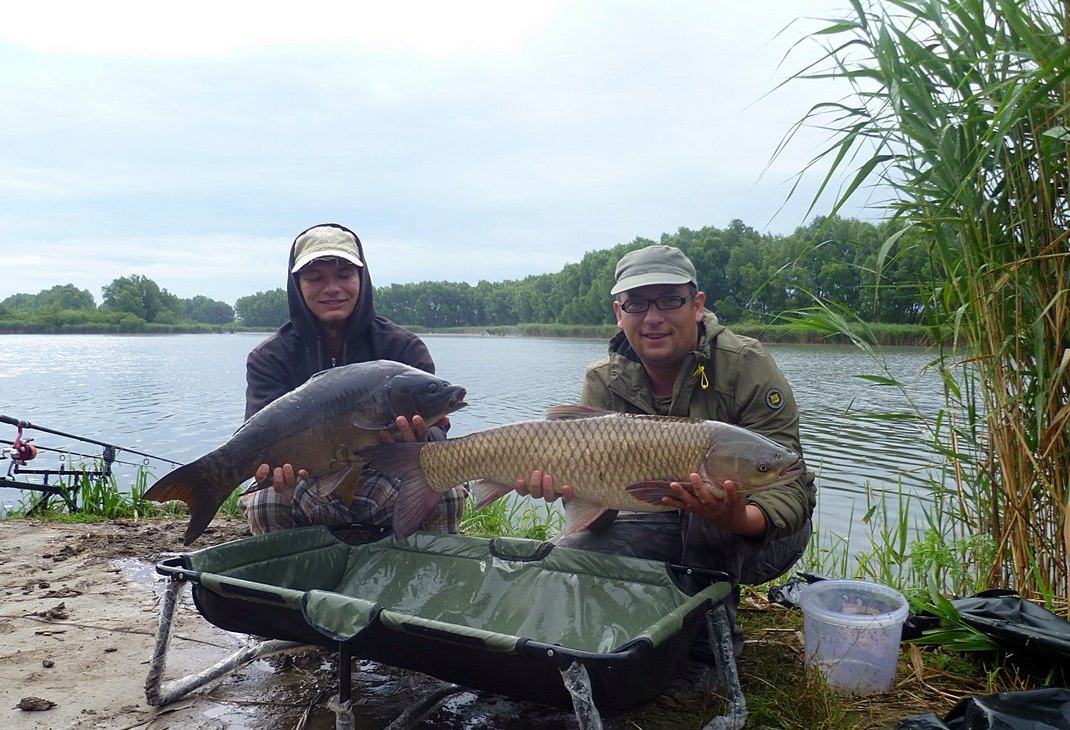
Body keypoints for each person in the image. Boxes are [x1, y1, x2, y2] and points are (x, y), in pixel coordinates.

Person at [516, 244, 816, 675]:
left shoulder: (746, 365)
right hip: (656, 515)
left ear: (696, 305)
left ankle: (707, 658)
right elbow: (600, 510)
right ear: (619, 313)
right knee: (569, 552)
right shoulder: (603, 379)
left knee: (703, 514)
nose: (652, 317)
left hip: (766, 534)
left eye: (669, 300)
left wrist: (737, 517)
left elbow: (790, 482)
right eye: (636, 303)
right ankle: (604, 639)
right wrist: (569, 492)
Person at [242, 223, 466, 535]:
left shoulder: (402, 347)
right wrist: (271, 469)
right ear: (297, 285)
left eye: (344, 275)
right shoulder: (270, 357)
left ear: (362, 279)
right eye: (315, 278)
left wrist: (418, 438)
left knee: (445, 490)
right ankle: (290, 580)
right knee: (265, 501)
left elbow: (439, 437)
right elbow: (257, 437)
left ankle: (422, 578)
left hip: (386, 474)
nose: (331, 288)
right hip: (306, 478)